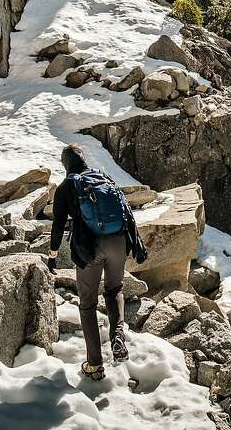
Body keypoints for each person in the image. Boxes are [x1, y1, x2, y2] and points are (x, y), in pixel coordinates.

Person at [48, 143, 148, 381]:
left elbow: (58, 224)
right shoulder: (103, 178)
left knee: (88, 304)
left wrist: (52, 255)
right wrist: (136, 243)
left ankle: (94, 365)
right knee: (114, 290)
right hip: (118, 242)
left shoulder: (66, 186)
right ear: (83, 159)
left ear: (65, 164)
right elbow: (126, 212)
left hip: (90, 248)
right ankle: (118, 338)